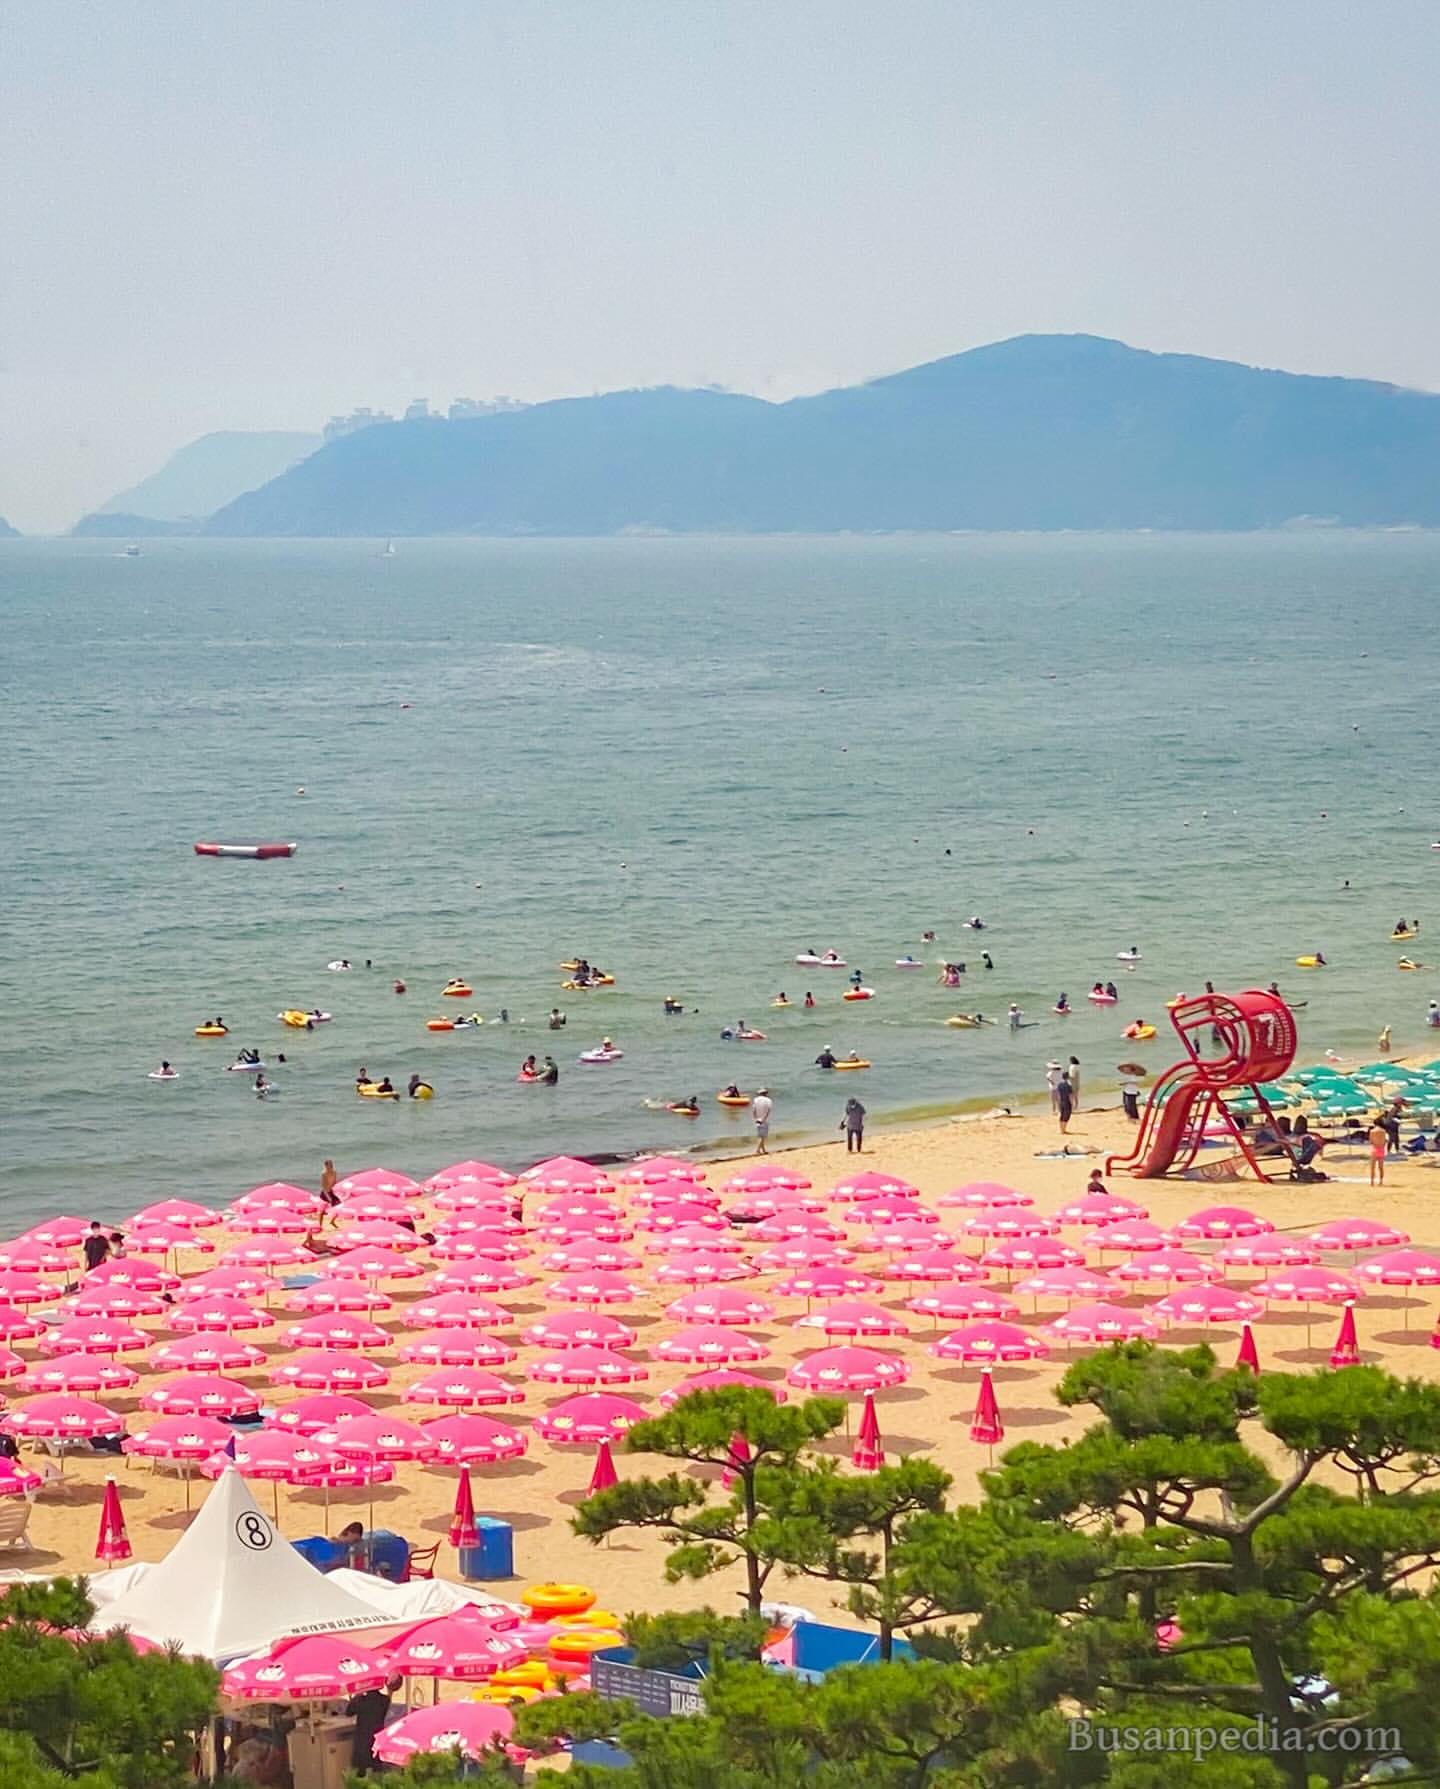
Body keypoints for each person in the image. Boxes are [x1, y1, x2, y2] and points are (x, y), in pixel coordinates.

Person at [347, 1674, 402, 1776]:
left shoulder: (361, 1701)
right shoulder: (384, 1700)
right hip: (376, 1741)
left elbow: (348, 1712)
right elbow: (389, 1697)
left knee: (360, 1773)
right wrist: (391, 1689)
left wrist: (358, 1693)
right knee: (376, 1772)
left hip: (362, 1741)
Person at [752, 1087, 773, 1153]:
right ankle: (758, 1150)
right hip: (764, 1120)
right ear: (765, 1093)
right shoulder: (769, 1100)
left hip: (757, 1119)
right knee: (762, 1136)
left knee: (760, 1135)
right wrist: (764, 1119)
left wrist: (755, 1118)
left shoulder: (755, 1100)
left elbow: (754, 1110)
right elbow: (768, 1111)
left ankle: (763, 1150)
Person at [1369, 1117, 1389, 1187]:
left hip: (1374, 1149)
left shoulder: (1372, 1131)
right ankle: (1381, 1181)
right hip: (1381, 1150)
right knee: (1381, 1167)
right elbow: (1384, 1141)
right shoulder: (1383, 1131)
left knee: (1372, 1167)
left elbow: (1371, 1141)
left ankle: (1372, 1182)